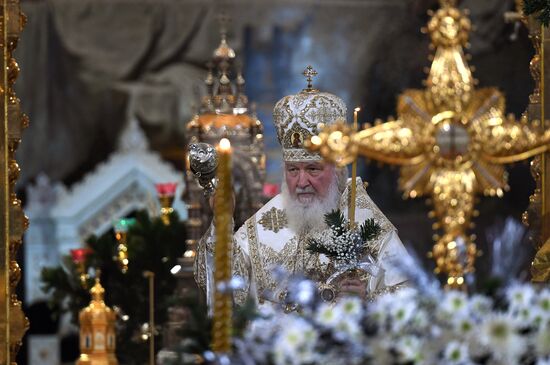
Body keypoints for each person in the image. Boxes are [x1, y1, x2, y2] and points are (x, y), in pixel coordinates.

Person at [194, 72, 410, 307]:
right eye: (293, 170)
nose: (301, 181)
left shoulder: (367, 222)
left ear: (336, 168)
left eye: (313, 169)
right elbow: (220, 286)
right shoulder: (267, 222)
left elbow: (410, 299)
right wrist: (222, 223)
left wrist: (367, 300)